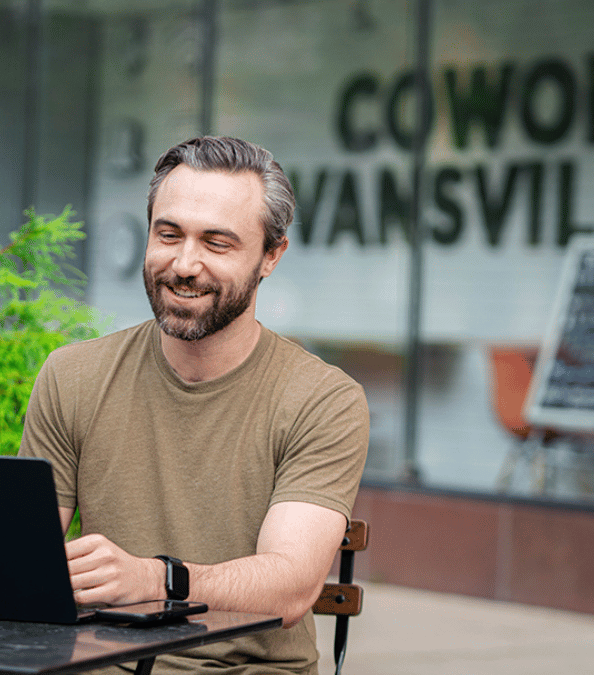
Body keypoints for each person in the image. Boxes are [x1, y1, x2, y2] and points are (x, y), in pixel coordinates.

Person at [19, 136, 369, 674]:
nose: (184, 264)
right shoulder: (73, 375)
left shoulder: (322, 400)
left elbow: (293, 587)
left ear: (271, 255)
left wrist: (159, 580)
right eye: (169, 234)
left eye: (217, 243)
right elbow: (23, 561)